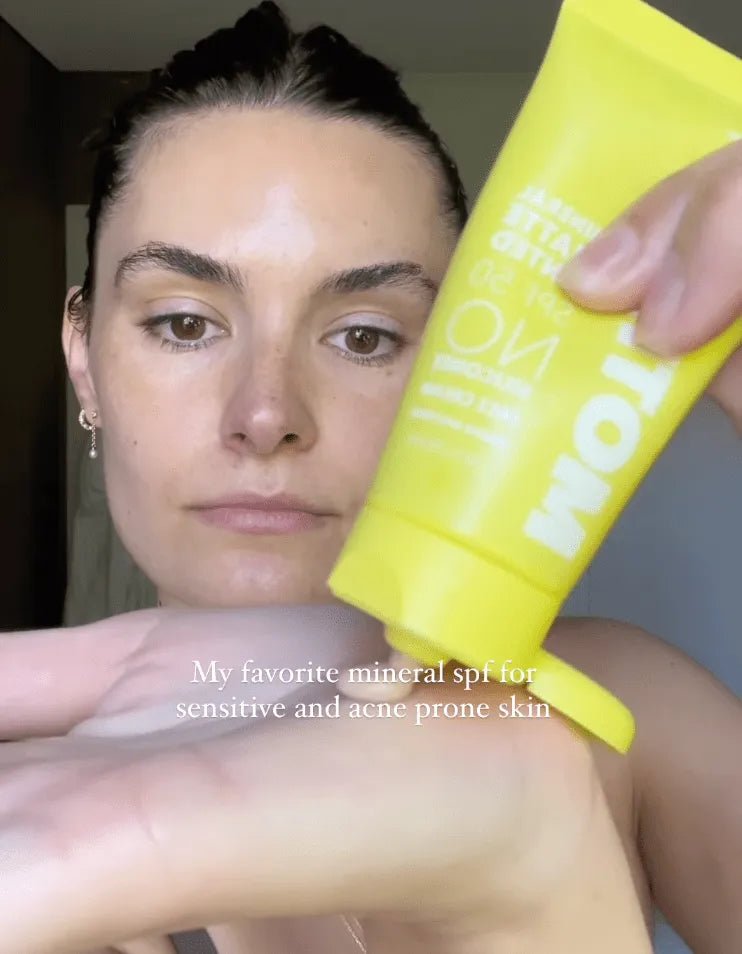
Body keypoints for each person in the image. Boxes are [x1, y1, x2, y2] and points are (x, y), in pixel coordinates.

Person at [0, 2, 740, 951]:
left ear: (461, 361)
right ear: (83, 357)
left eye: (363, 336)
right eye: (183, 323)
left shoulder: (627, 710)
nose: (266, 414)